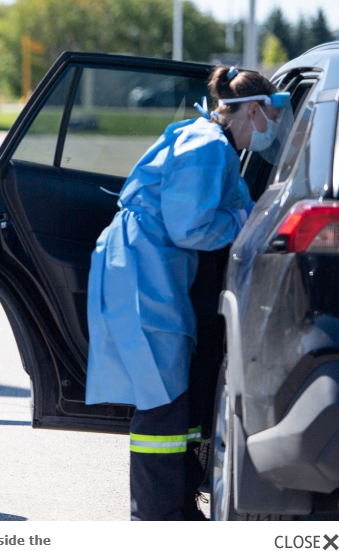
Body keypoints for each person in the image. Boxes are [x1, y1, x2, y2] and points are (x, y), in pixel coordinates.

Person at [85, 66, 290, 520]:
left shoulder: (211, 141)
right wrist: (244, 225)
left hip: (150, 267)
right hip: (144, 271)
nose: (272, 128)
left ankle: (173, 503)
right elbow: (191, 226)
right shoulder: (208, 148)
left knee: (171, 391)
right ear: (254, 109)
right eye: (271, 116)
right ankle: (155, 515)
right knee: (161, 398)